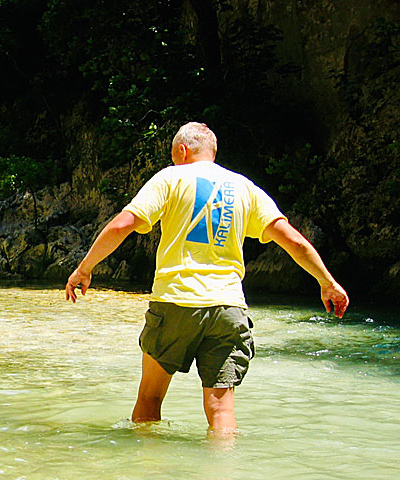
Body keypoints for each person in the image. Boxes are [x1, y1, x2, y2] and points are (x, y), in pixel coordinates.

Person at [65, 122, 349, 434]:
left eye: (174, 155)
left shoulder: (171, 177)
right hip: (229, 308)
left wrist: (84, 268)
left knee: (150, 397)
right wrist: (327, 282)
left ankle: (147, 474)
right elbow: (293, 241)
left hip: (176, 301)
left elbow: (122, 226)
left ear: (182, 150)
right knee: (221, 408)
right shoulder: (245, 188)